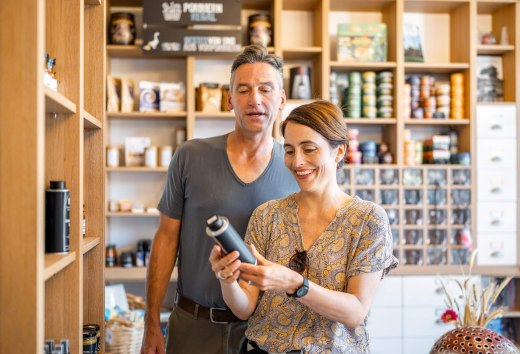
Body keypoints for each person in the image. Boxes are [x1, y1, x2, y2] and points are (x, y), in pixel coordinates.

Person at [140, 45, 299, 354]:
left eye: (265, 89)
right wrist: (150, 323)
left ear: (280, 101)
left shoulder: (295, 168)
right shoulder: (190, 156)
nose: (255, 99)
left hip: (265, 332)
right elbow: (165, 240)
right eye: (244, 90)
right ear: (229, 100)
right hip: (193, 326)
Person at [209, 100, 399, 353]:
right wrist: (228, 279)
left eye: (309, 149)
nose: (297, 161)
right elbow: (245, 308)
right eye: (289, 150)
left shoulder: (367, 220)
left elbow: (355, 311)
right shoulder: (267, 216)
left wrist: (295, 284)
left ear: (339, 152)